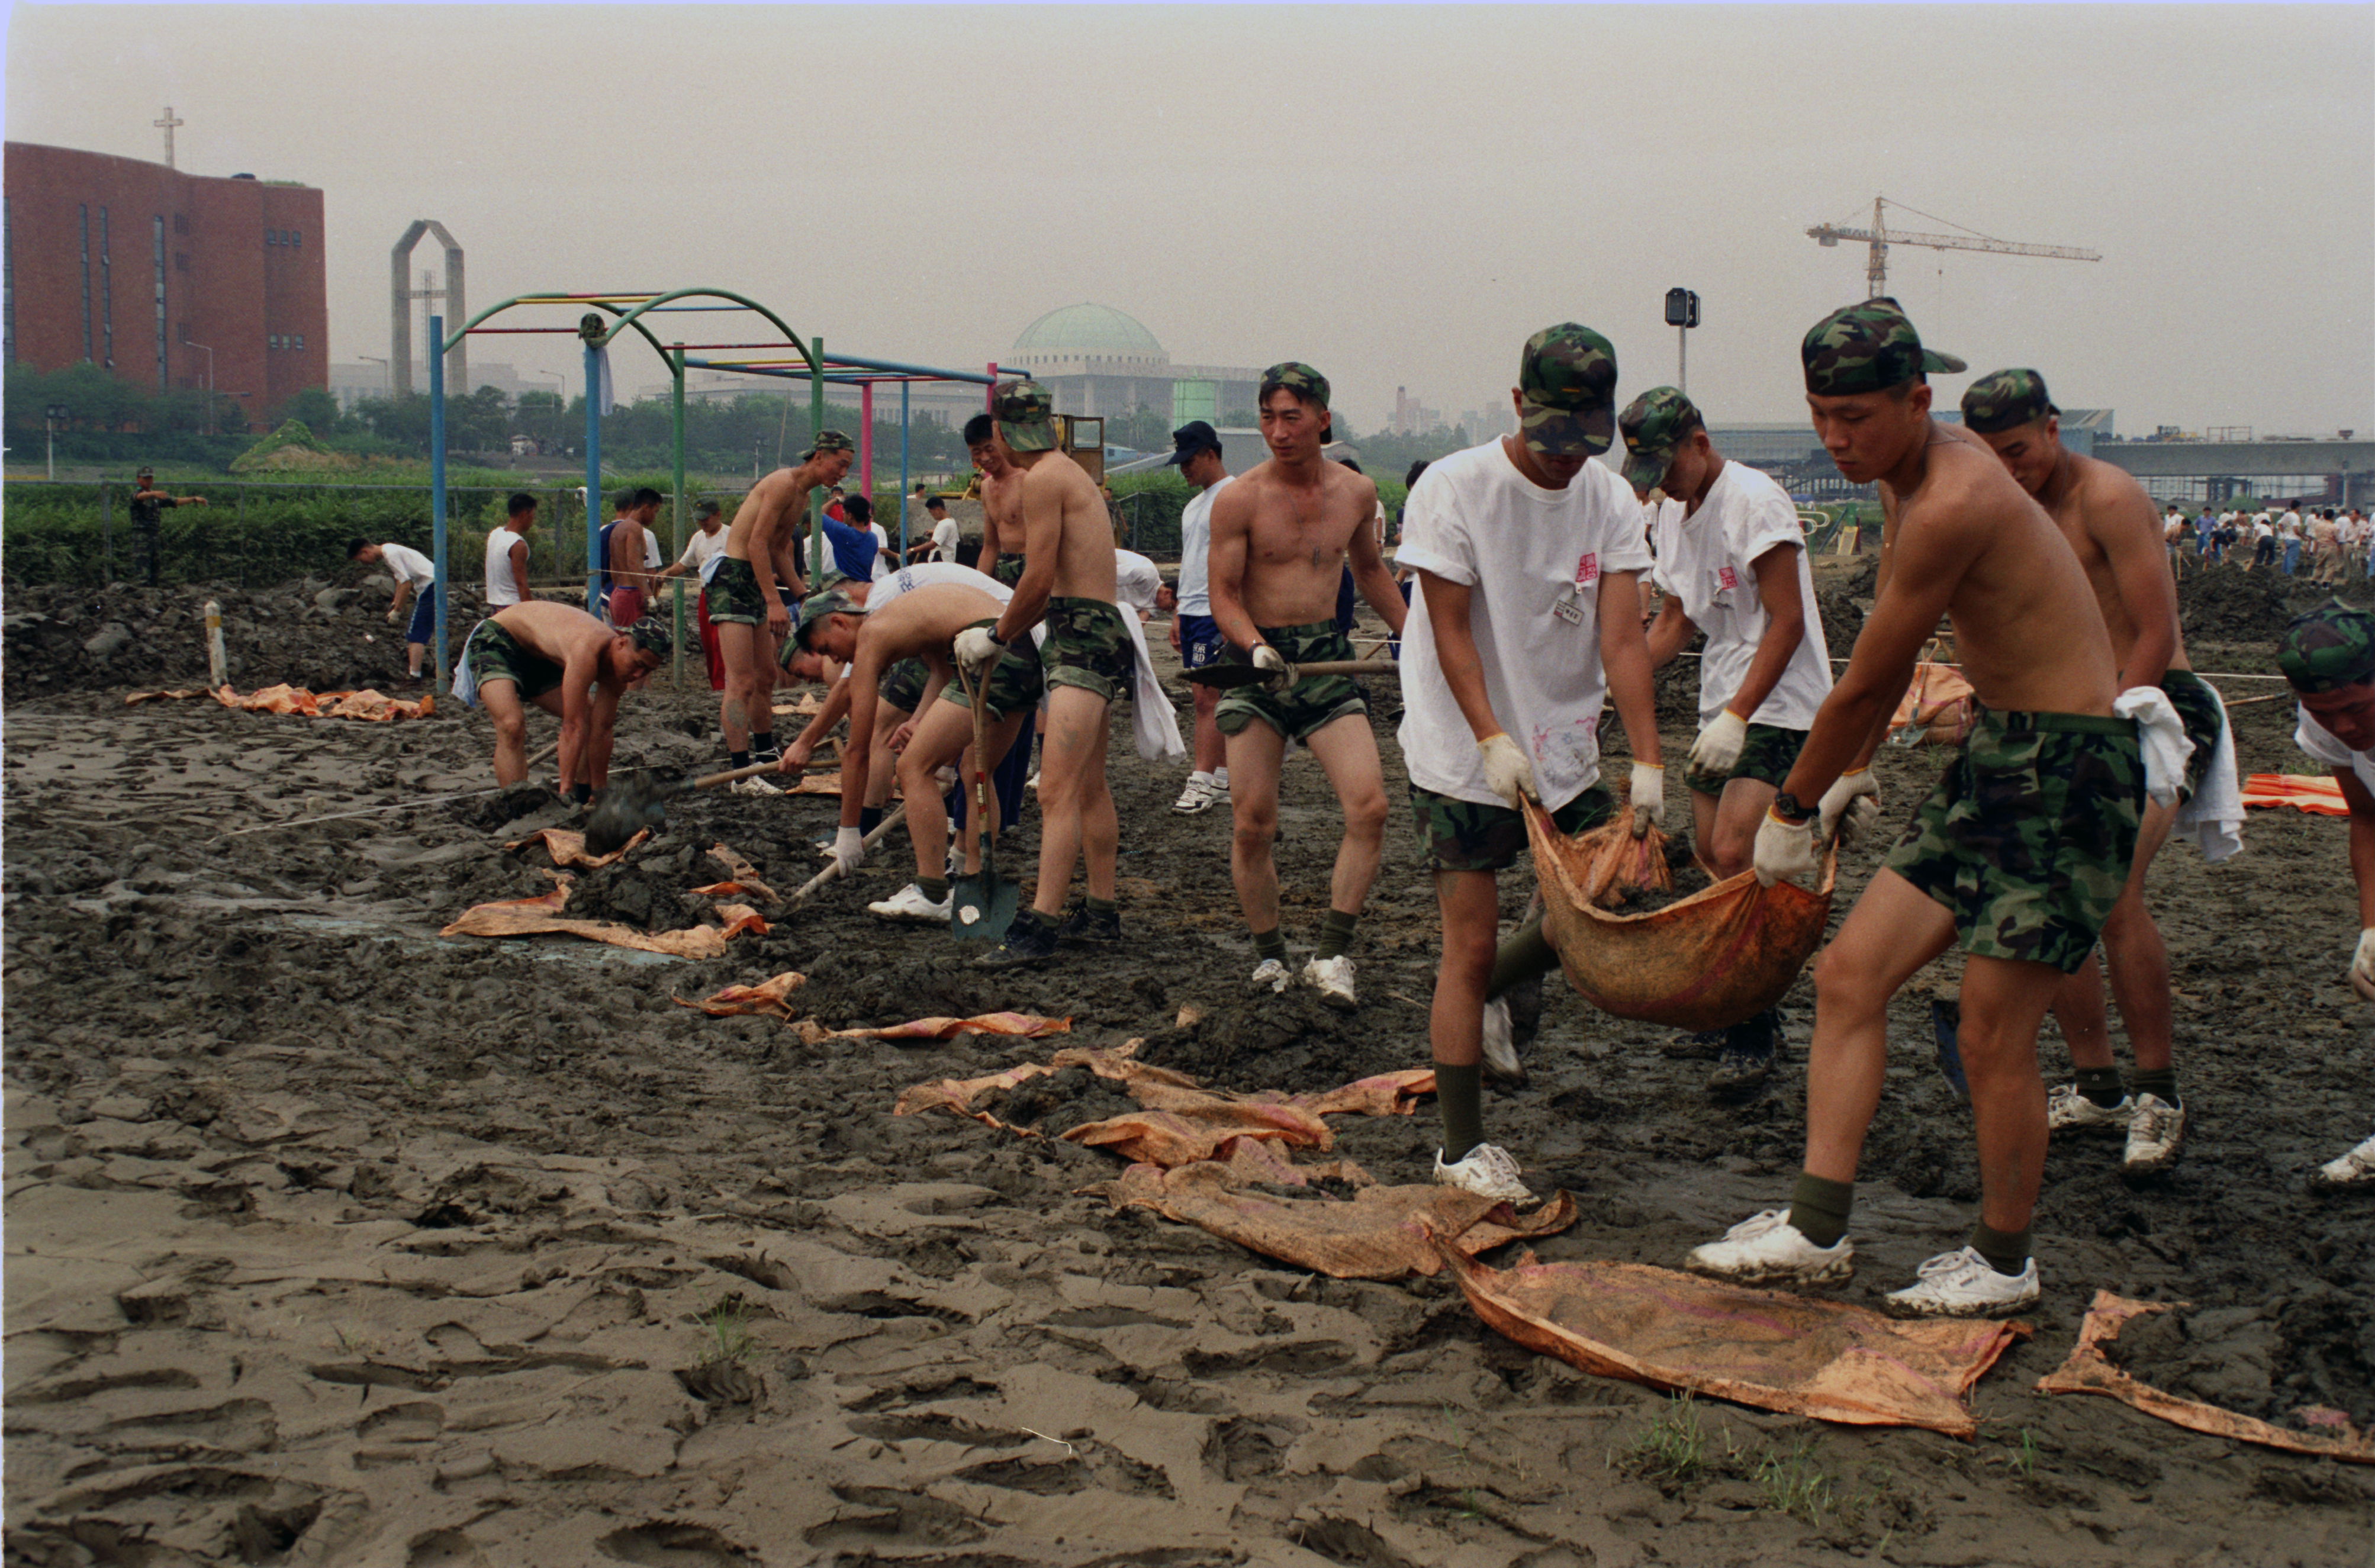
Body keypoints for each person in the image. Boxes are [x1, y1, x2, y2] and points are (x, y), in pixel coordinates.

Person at [1688, 300, 2145, 1319]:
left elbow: (1865, 677)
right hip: (1993, 750)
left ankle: (2002, 1258)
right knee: (1851, 973)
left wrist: (1794, 807)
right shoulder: (1898, 483)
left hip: (2069, 772)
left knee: (1990, 1029)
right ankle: (1813, 1225)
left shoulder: (1952, 498)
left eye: (1856, 415)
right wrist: (1852, 767)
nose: (1836, 439)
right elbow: (1895, 671)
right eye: (1819, 416)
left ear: (1917, 399)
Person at [1396, 324, 1662, 1200]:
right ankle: (1462, 1147)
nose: (1563, 462)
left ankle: (1497, 993)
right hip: (1460, 747)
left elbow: (1622, 639)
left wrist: (1650, 764)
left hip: (1567, 745)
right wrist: (1488, 737)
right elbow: (1449, 632)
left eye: (1583, 443)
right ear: (1517, 405)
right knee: (1466, 942)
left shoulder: (1611, 500)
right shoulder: (1455, 487)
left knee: (1618, 892)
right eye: (1549, 439)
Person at [1962, 368, 2235, 1174]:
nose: (2012, 469)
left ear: (2052, 427)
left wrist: (2106, 725)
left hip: (2152, 702)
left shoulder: (2107, 497)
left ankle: (2160, 1091)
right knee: (2057, 898)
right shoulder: (2003, 508)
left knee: (2113, 892)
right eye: (1994, 456)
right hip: (2058, 715)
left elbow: (2155, 629)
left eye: (2019, 450)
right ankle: (2097, 1084)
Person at [1624, 386, 1833, 1093]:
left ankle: (1756, 1023)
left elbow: (1787, 621)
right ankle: (1731, 1002)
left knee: (1738, 851)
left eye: (1669, 467)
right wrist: (1613, 679)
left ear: (1699, 443)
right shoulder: (1673, 517)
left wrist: (1740, 715)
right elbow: (1676, 622)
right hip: (1722, 699)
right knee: (1716, 860)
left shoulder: (1756, 501)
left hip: (1778, 703)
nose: (1664, 485)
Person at [1206, 364, 1409, 1007]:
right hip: (1256, 663)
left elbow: (1372, 572)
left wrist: (1417, 639)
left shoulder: (1357, 493)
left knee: (1370, 806)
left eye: (1291, 416)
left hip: (1326, 661)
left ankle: (1331, 954)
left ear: (1323, 417)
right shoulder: (1239, 497)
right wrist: (1257, 646)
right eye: (1268, 417)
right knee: (1251, 824)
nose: (1277, 431)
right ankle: (1270, 958)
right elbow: (1222, 595)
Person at [956, 381, 1142, 967]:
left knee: (1057, 788)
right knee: (1087, 785)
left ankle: (1039, 928)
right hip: (1093, 629)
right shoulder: (1069, 472)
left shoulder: (1041, 480)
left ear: (1005, 434)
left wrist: (994, 636)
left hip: (1081, 637)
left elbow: (1035, 580)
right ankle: (1104, 912)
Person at [784, 569, 1040, 917]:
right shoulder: (905, 617)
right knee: (977, 774)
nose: (836, 661)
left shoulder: (873, 635)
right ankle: (976, 885)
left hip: (989, 656)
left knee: (913, 768)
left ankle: (931, 891)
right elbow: (941, 670)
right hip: (1022, 652)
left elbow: (858, 749)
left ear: (840, 623)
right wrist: (920, 721)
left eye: (828, 649)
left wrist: (849, 830)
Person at [2279, 603, 2375, 1189]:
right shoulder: (2327, 723)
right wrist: (2372, 928)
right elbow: (2366, 815)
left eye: (2357, 709)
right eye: (2324, 713)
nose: (2344, 728)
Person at [710, 433, 848, 785]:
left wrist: (802, 595)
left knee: (766, 678)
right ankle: (741, 774)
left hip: (757, 581)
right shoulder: (783, 483)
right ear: (820, 456)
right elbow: (756, 542)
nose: (843, 473)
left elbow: (778, 549)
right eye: (841, 464)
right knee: (740, 682)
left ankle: (764, 751)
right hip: (734, 580)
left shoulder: (802, 494)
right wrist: (775, 601)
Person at [450, 600, 668, 799]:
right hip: (499, 639)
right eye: (638, 664)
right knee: (511, 724)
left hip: (539, 657)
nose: (638, 676)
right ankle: (517, 804)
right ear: (621, 644)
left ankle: (583, 794)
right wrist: (564, 791)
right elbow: (572, 727)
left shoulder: (620, 674)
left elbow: (602, 731)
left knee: (591, 717)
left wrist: (600, 792)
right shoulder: (587, 650)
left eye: (647, 671)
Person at [1167, 420, 1237, 814]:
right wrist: (1178, 609)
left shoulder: (1235, 495)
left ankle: (1201, 779)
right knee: (1207, 695)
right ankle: (1223, 776)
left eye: (1189, 460)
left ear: (1211, 453)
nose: (1184, 470)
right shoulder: (1193, 506)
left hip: (1218, 610)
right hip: (1192, 609)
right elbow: (1191, 562)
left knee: (1206, 697)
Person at [656, 498, 730, 691]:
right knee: (708, 642)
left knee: (720, 643)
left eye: (706, 519)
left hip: (725, 595)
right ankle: (716, 685)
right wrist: (667, 573)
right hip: (705, 595)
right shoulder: (698, 537)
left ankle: (724, 685)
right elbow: (684, 564)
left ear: (718, 515)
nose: (702, 523)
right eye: (700, 520)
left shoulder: (730, 536)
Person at [347, 538, 439, 681]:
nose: (363, 563)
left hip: (431, 586)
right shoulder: (389, 550)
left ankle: (414, 676)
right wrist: (394, 603)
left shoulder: (391, 554)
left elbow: (406, 583)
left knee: (416, 632)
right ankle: (416, 673)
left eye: (360, 559)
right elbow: (399, 580)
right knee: (418, 628)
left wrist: (397, 611)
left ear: (365, 551)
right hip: (432, 584)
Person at [127, 466, 207, 587]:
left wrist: (194, 499)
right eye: (146, 478)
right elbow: (138, 497)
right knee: (142, 568)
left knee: (155, 567)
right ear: (139, 479)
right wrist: (153, 493)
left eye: (150, 478)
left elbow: (175, 501)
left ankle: (153, 593)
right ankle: (141, 593)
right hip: (141, 536)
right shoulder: (138, 494)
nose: (149, 481)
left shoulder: (155, 499)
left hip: (154, 534)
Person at [485, 492, 536, 608]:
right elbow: (521, 584)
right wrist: (530, 611)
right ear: (525, 514)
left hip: (495, 603)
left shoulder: (495, 534)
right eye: (533, 515)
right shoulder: (518, 545)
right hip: (512, 604)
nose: (533, 520)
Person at [1114, 547, 1165, 620]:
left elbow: (1140, 624)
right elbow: (1109, 576)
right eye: (1171, 606)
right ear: (1167, 593)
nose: (1168, 611)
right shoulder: (1148, 574)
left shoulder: (1153, 603)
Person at [907, 495, 961, 564]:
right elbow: (946, 537)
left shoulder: (944, 524)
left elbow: (933, 544)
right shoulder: (952, 521)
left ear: (938, 510)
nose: (932, 515)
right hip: (948, 562)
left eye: (931, 512)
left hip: (941, 562)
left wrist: (912, 550)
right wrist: (934, 533)